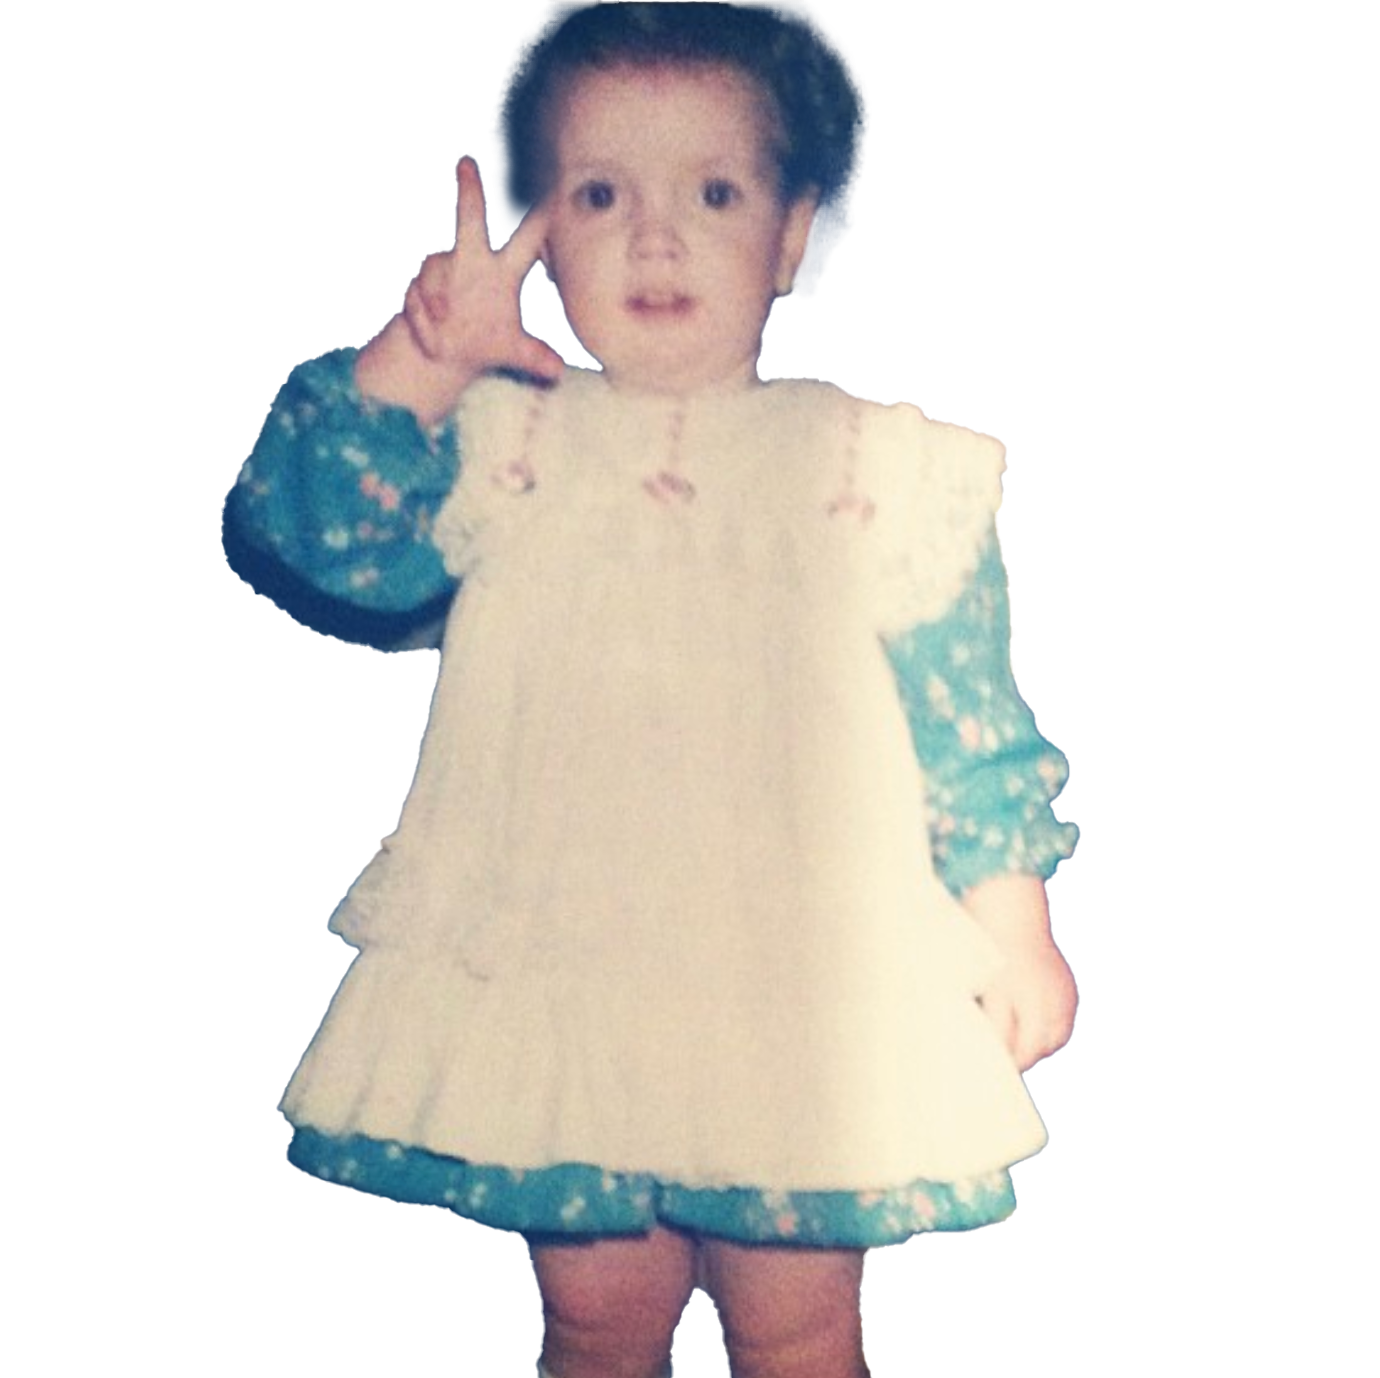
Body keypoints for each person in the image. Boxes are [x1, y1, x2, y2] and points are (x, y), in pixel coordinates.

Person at [240, 6, 1080, 1377]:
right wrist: (424, 359)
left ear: (794, 234)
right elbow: (311, 523)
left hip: (801, 982)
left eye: (715, 190)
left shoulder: (876, 470)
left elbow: (968, 725)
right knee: (594, 1313)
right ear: (541, 235)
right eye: (599, 193)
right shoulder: (500, 446)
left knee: (797, 1322)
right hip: (571, 967)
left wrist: (1012, 917)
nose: (655, 236)